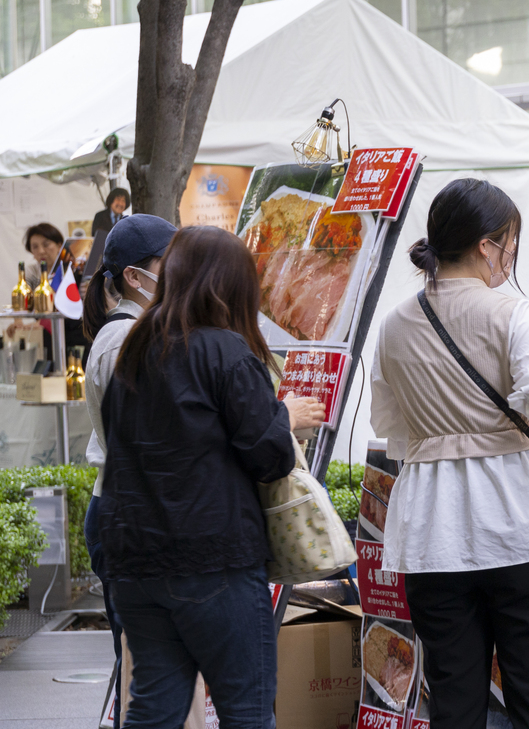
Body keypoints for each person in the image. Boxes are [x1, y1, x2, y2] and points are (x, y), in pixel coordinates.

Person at [371, 178, 529, 729]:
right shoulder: (511, 313)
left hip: (432, 531)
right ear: (488, 244)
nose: (510, 257)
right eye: (510, 242)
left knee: (453, 699)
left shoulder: (395, 324)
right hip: (523, 525)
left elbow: (391, 426)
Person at [98, 225, 326, 728]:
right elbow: (269, 456)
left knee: (154, 706)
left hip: (135, 561)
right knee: (246, 710)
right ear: (231, 286)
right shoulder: (225, 350)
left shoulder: (134, 349)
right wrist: (284, 417)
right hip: (213, 559)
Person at [80, 214, 176, 729]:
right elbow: (150, 443)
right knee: (145, 673)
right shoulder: (123, 342)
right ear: (136, 277)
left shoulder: (138, 331)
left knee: (147, 669)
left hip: (126, 510)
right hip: (128, 514)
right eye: (169, 262)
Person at [10, 223, 88, 353]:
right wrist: (18, 322)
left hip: (77, 335)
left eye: (46, 244)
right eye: (35, 247)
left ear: (59, 246)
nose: (41, 251)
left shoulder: (74, 268)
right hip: (48, 339)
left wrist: (40, 323)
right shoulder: (32, 272)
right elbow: (21, 298)